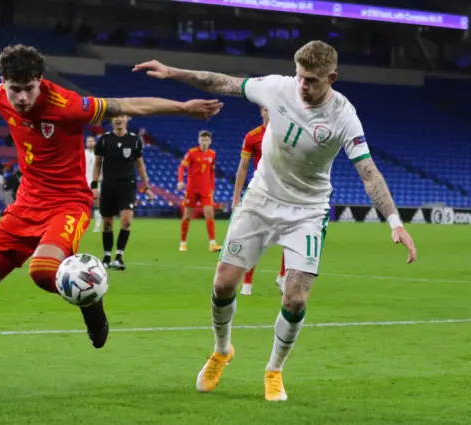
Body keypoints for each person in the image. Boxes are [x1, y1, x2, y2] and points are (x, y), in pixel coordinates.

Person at [0, 44, 222, 396]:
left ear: (40, 81)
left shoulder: (67, 105)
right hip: (24, 207)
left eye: (27, 89)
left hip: (67, 204)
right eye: (13, 89)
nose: (20, 98)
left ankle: (91, 299)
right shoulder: (1, 96)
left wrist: (183, 108)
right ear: (4, 83)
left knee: (42, 271)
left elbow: (127, 105)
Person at [134, 40, 417, 401]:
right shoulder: (278, 87)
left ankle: (274, 370)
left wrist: (394, 221)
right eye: (300, 76)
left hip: (307, 212)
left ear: (332, 77)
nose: (302, 85)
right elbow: (222, 82)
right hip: (261, 200)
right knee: (223, 285)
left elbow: (368, 171)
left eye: (312, 80)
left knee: (296, 298)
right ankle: (222, 350)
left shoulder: (344, 115)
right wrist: (174, 72)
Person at [233, 107, 286, 296]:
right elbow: (243, 167)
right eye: (266, 109)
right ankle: (247, 283)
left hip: (283, 194)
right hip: (260, 193)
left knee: (289, 236)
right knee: (255, 237)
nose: (269, 112)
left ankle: (282, 276)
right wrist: (236, 196)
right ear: (261, 111)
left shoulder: (284, 134)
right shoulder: (252, 136)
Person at [92, 114, 154, 270]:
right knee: (107, 223)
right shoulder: (104, 139)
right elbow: (97, 164)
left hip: (127, 185)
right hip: (108, 185)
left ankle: (119, 256)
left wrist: (147, 187)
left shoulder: (134, 140)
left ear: (128, 119)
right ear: (112, 120)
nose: (119, 119)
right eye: (116, 117)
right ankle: (106, 256)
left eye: (122, 116)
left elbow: (140, 166)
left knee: (126, 221)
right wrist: (94, 185)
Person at [177, 130, 222, 253]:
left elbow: (212, 172)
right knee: (187, 216)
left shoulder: (212, 154)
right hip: (192, 189)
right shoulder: (192, 153)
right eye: (202, 140)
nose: (204, 142)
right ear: (199, 140)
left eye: (207, 140)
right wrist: (180, 181)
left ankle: (212, 244)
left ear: (210, 141)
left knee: (210, 215)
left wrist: (212, 187)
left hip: (206, 189)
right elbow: (182, 167)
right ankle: (183, 243)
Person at [84, 135, 102, 232]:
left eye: (92, 141)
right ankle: (82, 226)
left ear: (95, 143)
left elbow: (103, 168)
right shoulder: (82, 153)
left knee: (96, 203)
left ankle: (97, 226)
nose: (90, 143)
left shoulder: (98, 154)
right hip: (84, 181)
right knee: (83, 204)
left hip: (95, 181)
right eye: (88, 141)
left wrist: (100, 177)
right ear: (86, 143)